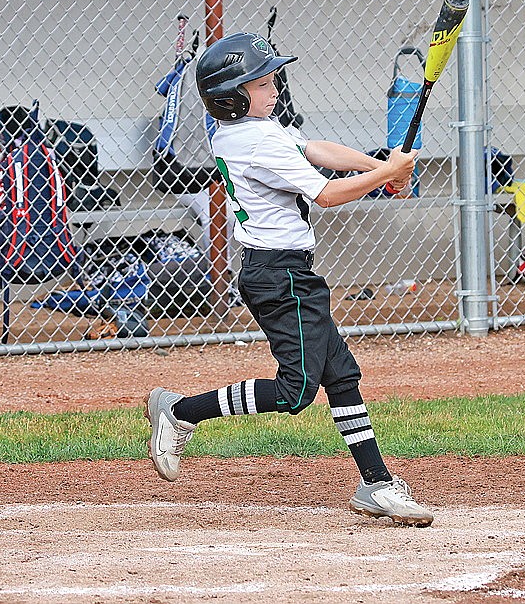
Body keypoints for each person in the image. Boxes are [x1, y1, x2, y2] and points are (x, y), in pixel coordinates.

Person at [143, 32, 434, 527]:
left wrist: (381, 164)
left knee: (340, 374)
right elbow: (324, 194)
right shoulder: (253, 140)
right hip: (277, 276)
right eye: (260, 81)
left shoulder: (256, 129)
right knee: (297, 391)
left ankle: (377, 484)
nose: (274, 85)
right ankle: (181, 411)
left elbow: (315, 148)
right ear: (232, 97)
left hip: (289, 271)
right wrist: (385, 175)